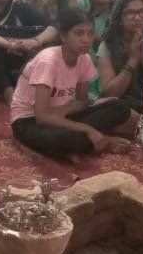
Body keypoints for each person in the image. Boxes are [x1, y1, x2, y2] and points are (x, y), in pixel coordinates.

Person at [9, 9, 133, 163]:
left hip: (60, 114)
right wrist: (87, 129)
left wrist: (64, 110)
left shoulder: (84, 59)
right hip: (28, 121)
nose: (86, 39)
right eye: (79, 33)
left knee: (120, 107)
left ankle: (79, 145)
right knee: (66, 138)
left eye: (90, 33)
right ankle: (101, 141)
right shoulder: (48, 61)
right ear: (63, 36)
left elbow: (82, 101)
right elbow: (42, 117)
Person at [96, 0, 143, 111]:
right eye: (130, 13)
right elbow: (110, 94)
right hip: (123, 108)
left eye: (142, 11)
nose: (137, 17)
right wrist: (133, 60)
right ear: (119, 19)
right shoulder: (108, 46)